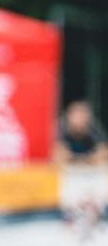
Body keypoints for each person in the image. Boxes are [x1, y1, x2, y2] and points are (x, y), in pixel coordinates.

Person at [54, 100, 108, 240]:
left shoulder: (93, 128)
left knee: (99, 195)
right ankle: (71, 218)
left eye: (83, 115)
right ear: (69, 115)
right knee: (69, 198)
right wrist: (86, 160)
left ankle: (95, 217)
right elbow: (59, 155)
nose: (80, 118)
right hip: (72, 172)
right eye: (77, 115)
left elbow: (103, 153)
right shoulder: (62, 128)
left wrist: (81, 160)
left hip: (93, 172)